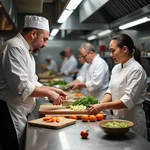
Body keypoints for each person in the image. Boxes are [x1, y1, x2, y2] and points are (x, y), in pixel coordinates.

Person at [0, 15, 67, 150]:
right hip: (10, 112)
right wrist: (48, 92)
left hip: (20, 110)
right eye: (44, 39)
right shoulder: (14, 47)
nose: (45, 44)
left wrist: (53, 90)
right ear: (33, 33)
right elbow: (21, 87)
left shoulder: (27, 52)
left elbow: (34, 82)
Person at [88, 34, 147, 139]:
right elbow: (110, 90)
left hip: (133, 120)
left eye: (112, 51)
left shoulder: (136, 70)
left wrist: (102, 106)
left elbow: (127, 101)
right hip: (117, 120)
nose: (111, 55)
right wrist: (99, 105)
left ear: (124, 49)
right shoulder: (116, 68)